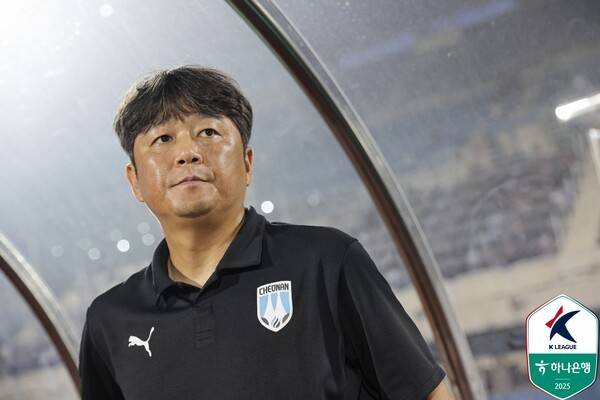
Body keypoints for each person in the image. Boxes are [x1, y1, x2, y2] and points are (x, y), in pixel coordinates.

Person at [78, 65, 455, 399]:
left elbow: (427, 394)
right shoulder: (109, 321)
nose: (188, 153)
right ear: (135, 181)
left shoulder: (325, 261)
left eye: (208, 132)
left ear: (247, 163)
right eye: (163, 138)